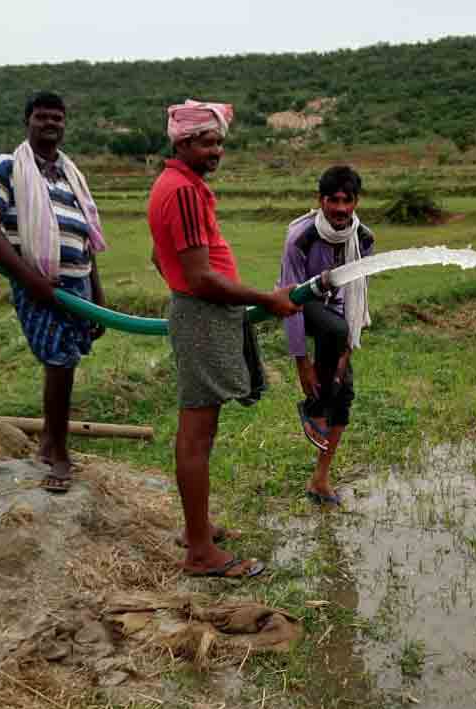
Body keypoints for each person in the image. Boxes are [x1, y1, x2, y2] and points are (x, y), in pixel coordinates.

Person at [148, 99, 299, 578]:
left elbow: (159, 255)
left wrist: (188, 289)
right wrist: (267, 299)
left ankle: (199, 529)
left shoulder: (173, 185)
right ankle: (199, 553)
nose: (216, 150)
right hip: (203, 316)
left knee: (199, 434)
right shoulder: (185, 192)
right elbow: (200, 278)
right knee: (197, 435)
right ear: (184, 142)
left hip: (200, 315)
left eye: (219, 142)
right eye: (208, 142)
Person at [0, 91, 107, 494]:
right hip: (39, 283)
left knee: (66, 362)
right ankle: (60, 454)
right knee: (60, 361)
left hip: (78, 282)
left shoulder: (70, 172)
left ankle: (49, 440)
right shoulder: (9, 166)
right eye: (42, 117)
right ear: (27, 121)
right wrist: (29, 278)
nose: (51, 123)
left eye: (58, 118)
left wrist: (99, 298)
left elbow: (84, 237)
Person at [279, 166, 374, 507]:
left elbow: (358, 294)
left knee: (343, 394)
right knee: (333, 329)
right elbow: (289, 297)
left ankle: (320, 479)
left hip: (341, 319)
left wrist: (345, 353)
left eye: (347, 201)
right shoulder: (300, 238)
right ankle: (313, 407)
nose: (340, 208)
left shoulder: (363, 238)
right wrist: (302, 361)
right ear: (320, 201)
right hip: (305, 309)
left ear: (355, 202)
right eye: (332, 200)